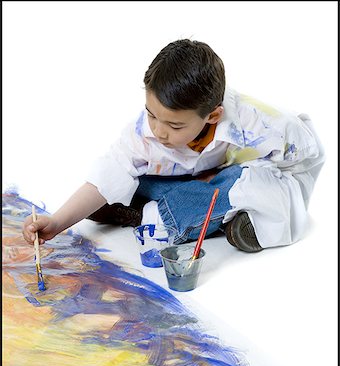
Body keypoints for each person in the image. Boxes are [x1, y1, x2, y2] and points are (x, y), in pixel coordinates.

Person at [22, 39, 325, 253]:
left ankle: (149, 216)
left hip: (229, 177)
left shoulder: (258, 122)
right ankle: (145, 206)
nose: (158, 131)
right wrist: (57, 222)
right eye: (152, 115)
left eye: (175, 125)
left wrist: (246, 176)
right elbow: (109, 172)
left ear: (213, 115)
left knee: (238, 188)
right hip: (180, 179)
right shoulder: (143, 133)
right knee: (129, 179)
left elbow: (306, 156)